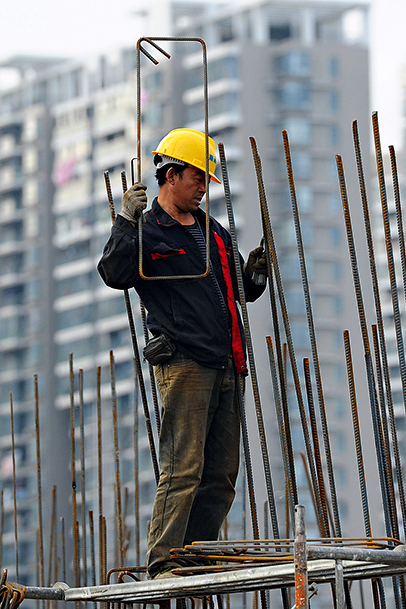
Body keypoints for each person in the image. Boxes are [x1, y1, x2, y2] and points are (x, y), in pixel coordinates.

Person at [97, 127, 268, 579]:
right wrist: (124, 222)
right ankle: (163, 559)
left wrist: (253, 277)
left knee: (221, 476)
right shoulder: (148, 231)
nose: (203, 187)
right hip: (185, 363)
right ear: (170, 176)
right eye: (196, 178)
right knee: (183, 467)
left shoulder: (214, 232)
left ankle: (195, 556)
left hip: (228, 361)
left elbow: (233, 291)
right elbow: (114, 273)